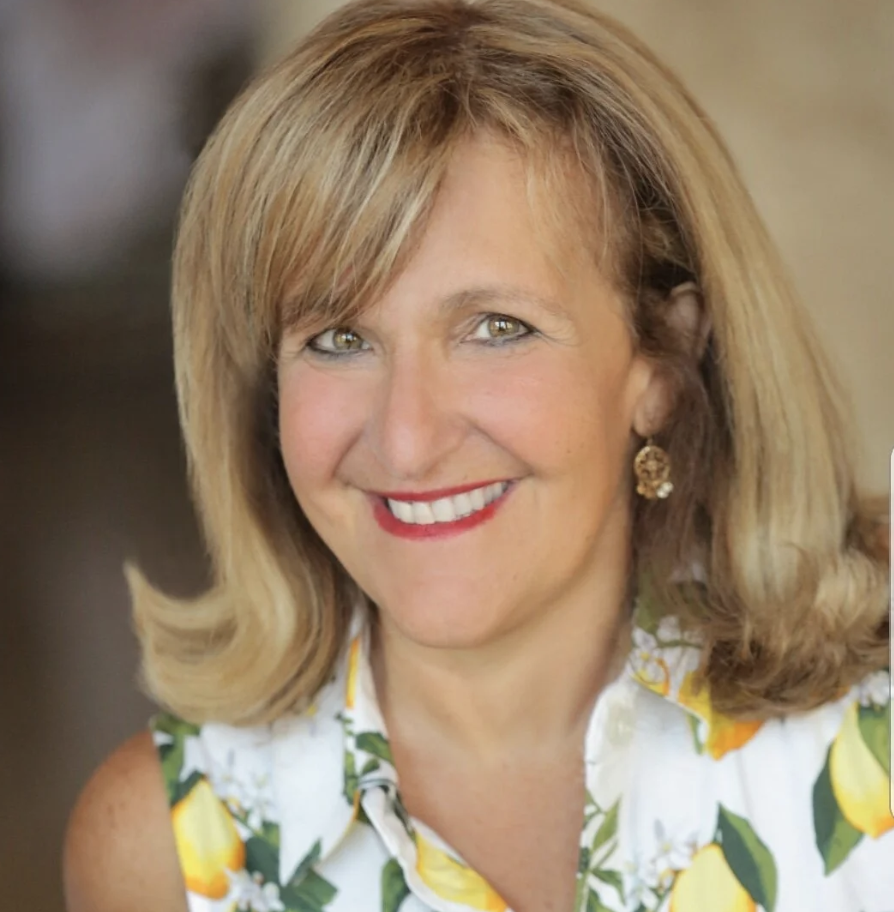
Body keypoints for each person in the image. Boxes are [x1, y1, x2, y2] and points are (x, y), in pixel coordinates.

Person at [62, 1, 892, 910]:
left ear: (661, 363)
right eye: (339, 339)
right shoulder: (160, 850)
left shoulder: (870, 755)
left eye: (497, 328)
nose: (408, 440)